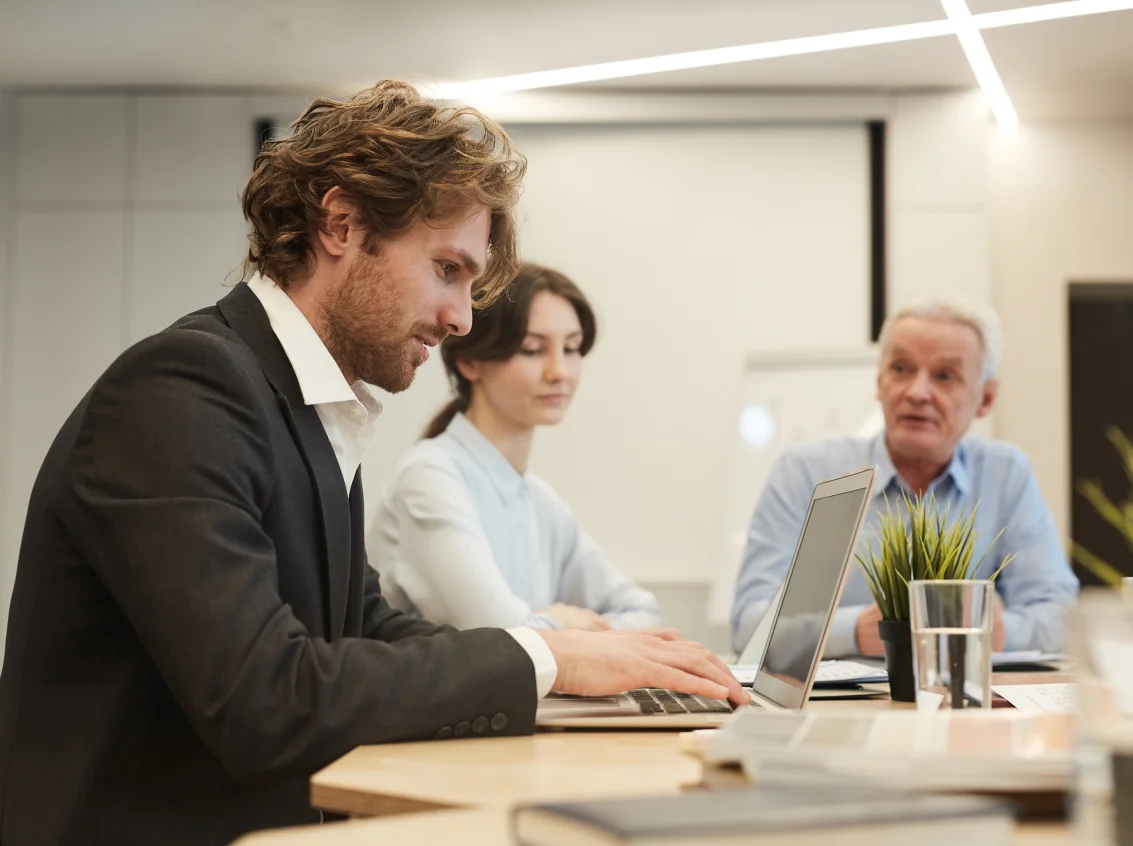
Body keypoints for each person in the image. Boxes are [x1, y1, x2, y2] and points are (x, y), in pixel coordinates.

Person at [0, 82, 745, 846]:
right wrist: (541, 657)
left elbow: (363, 626)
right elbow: (266, 698)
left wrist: (573, 665)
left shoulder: (301, 405)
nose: (461, 318)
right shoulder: (182, 390)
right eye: (446, 270)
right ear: (342, 224)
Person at [731, 299, 1079, 658]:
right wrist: (860, 631)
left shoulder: (1005, 475)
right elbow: (748, 626)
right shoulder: (806, 473)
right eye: (901, 368)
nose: (916, 392)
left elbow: (1060, 617)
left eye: (945, 376)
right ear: (880, 382)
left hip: (962, 702)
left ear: (986, 398)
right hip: (842, 706)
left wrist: (992, 630)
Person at [371, 264, 661, 632]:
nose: (560, 371)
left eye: (571, 348)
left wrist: (559, 626)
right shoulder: (429, 478)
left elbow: (647, 615)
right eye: (533, 349)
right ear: (470, 361)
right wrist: (568, 626)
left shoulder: (540, 502)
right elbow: (506, 639)